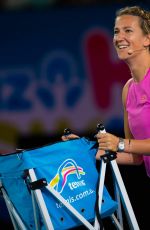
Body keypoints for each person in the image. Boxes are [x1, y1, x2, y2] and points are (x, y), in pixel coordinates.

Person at [62, 5, 150, 178]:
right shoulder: (128, 89)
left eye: (128, 30)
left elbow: (125, 145)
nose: (119, 38)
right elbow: (136, 157)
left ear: (147, 38)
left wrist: (120, 143)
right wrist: (85, 150)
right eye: (116, 32)